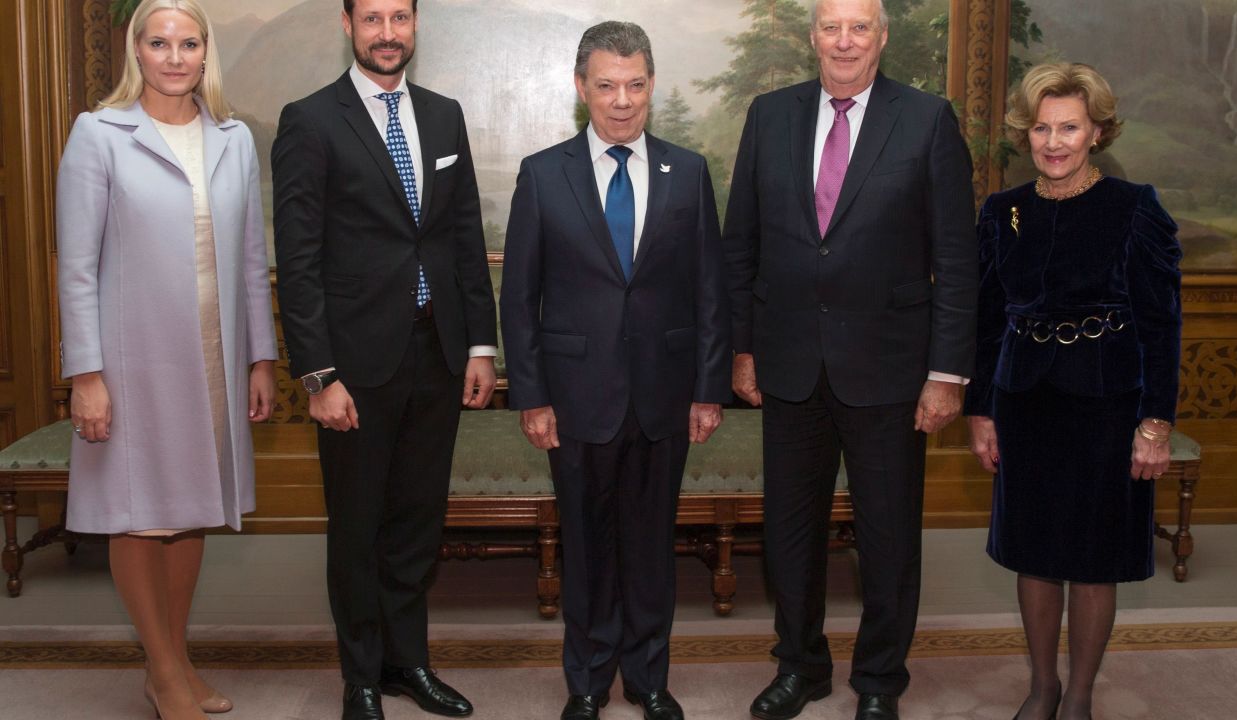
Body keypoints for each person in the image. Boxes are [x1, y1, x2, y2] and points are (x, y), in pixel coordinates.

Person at [721, 0, 978, 717]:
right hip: (789, 364)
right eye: (830, 26)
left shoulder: (927, 120)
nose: (843, 40)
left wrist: (947, 374)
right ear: (812, 38)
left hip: (893, 370)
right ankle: (800, 666)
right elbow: (739, 245)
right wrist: (742, 350)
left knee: (888, 537)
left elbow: (957, 260)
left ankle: (878, 682)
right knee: (789, 533)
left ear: (881, 38)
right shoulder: (769, 116)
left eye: (859, 26)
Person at [270, 0, 497, 717]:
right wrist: (318, 374)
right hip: (354, 369)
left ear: (414, 24)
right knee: (359, 525)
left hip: (437, 354)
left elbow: (463, 236)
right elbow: (297, 258)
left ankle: (408, 664)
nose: (388, 33)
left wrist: (481, 346)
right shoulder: (309, 120)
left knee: (417, 521)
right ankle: (361, 675)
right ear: (348, 25)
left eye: (400, 17)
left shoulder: (442, 114)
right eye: (373, 19)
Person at [501, 20, 732, 720]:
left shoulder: (687, 171)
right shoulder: (544, 174)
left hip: (665, 396)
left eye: (634, 85)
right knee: (587, 544)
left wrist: (707, 390)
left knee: (649, 547)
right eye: (606, 85)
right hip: (574, 399)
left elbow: (710, 291)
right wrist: (532, 397)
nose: (622, 100)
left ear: (652, 84)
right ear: (582, 88)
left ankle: (649, 678)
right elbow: (519, 296)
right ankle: (590, 681)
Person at [56, 0, 277, 718]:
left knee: (190, 512)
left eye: (188, 43)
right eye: (160, 42)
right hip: (132, 364)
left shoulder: (234, 139)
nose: (175, 56)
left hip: (214, 359)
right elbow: (77, 266)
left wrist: (261, 360)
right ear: (137, 52)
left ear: (205, 54)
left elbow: (250, 261)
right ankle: (164, 670)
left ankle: (172, 664)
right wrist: (85, 375)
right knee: (138, 514)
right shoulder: (100, 134)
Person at [963, 62, 1181, 720]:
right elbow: (986, 318)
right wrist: (980, 411)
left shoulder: (1132, 207)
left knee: (1092, 560)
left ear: (1096, 134)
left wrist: (1155, 424)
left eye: (1069, 128)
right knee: (1034, 554)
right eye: (1041, 128)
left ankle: (1080, 693)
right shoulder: (1003, 213)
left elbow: (1162, 323)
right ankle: (1042, 686)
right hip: (1024, 403)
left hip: (1108, 406)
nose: (1053, 142)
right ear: (1024, 135)